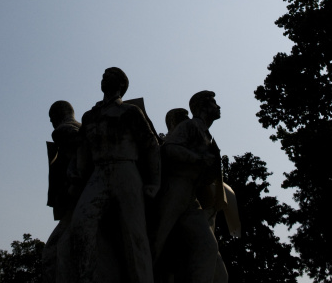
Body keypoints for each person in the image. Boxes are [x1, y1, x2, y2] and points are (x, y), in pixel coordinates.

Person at [70, 67, 160, 283]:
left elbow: (151, 146)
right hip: (99, 173)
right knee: (81, 224)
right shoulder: (90, 116)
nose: (104, 78)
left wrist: (154, 182)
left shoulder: (130, 111)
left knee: (134, 234)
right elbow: (82, 152)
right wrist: (76, 176)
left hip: (125, 170)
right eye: (103, 76)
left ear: (121, 84)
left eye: (109, 76)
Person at [152, 91, 224, 283]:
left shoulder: (204, 132)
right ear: (202, 107)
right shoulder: (190, 126)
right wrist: (198, 159)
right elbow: (169, 149)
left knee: (208, 246)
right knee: (156, 241)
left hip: (191, 195)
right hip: (175, 187)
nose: (218, 107)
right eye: (214, 103)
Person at [43, 101, 81, 283]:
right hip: (77, 201)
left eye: (52, 119)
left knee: (53, 253)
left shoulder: (63, 131)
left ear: (57, 115)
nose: (51, 123)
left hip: (76, 201)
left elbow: (79, 160)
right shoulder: (81, 128)